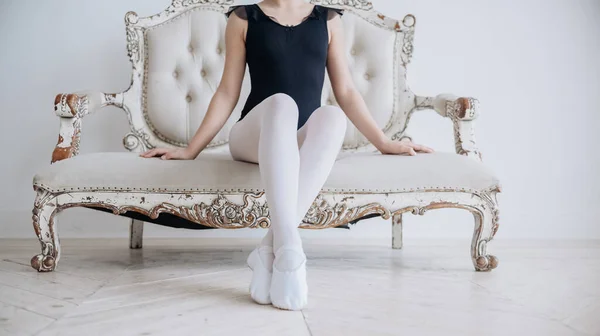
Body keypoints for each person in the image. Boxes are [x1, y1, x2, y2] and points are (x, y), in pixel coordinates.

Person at [140, 0, 433, 311]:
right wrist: (190, 150)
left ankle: (270, 251)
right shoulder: (243, 18)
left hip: (296, 139)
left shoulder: (328, 19)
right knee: (282, 103)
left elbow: (345, 91)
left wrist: (384, 142)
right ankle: (290, 249)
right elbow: (227, 92)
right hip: (253, 134)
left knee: (332, 117)